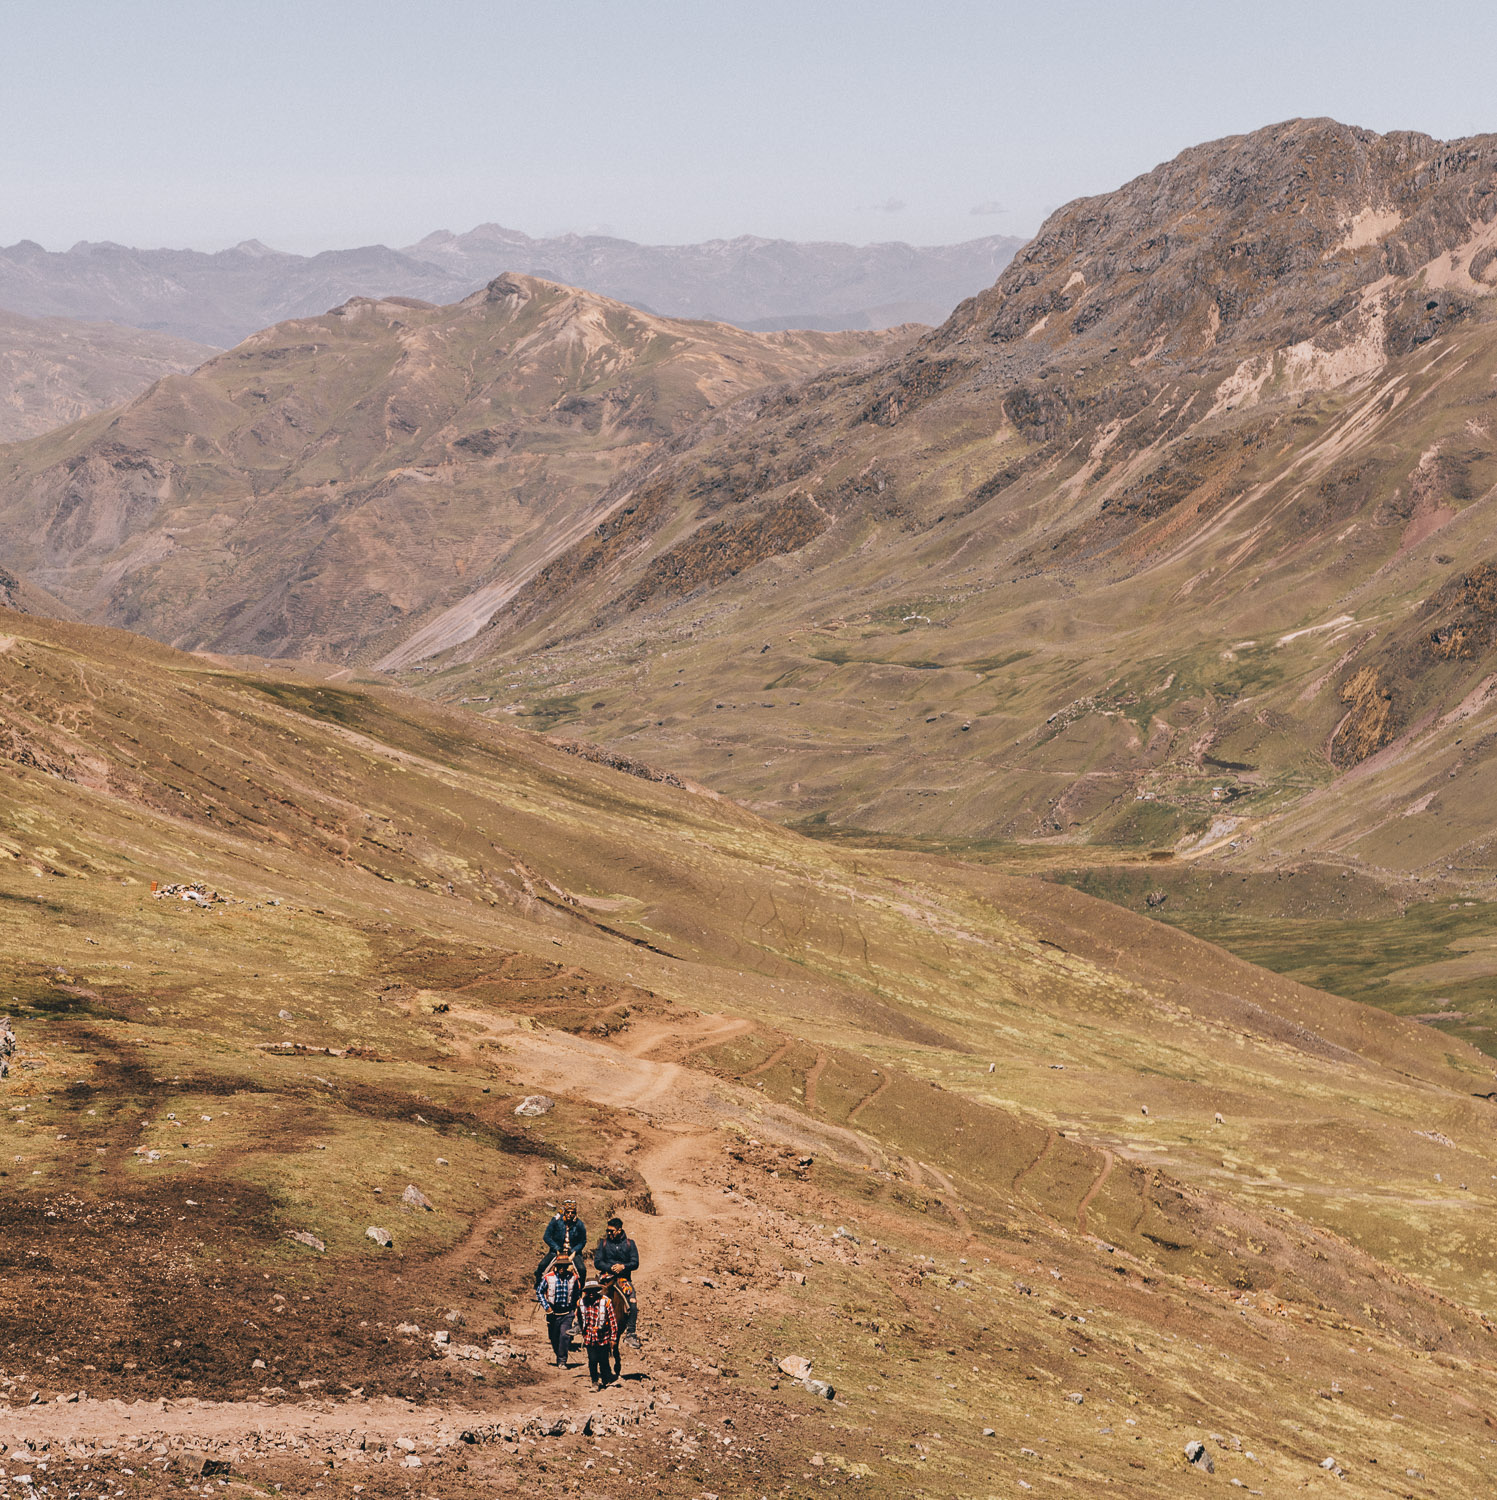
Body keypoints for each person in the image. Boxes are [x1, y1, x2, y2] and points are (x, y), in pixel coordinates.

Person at [593, 1215, 641, 1348]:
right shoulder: (603, 1243)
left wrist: (623, 1267)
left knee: (632, 1301)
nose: (609, 1233)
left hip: (622, 1279)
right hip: (605, 1277)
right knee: (589, 1294)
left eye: (611, 1231)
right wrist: (609, 1267)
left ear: (619, 1230)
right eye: (608, 1231)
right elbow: (597, 1262)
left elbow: (635, 1262)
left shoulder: (630, 1244)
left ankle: (631, 1333)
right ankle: (579, 1324)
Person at [536, 1253, 581, 1367]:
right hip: (553, 1313)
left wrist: (576, 1308)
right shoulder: (548, 1277)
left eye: (564, 1266)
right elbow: (539, 1291)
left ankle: (562, 1360)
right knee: (554, 1337)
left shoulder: (573, 1278)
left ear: (567, 1267)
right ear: (556, 1266)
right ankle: (559, 1354)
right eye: (560, 1266)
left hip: (567, 1312)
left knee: (564, 1335)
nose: (562, 1269)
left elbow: (577, 1294)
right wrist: (547, 1307)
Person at [534, 1198, 587, 1286]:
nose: (570, 1214)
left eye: (573, 1212)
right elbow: (546, 1236)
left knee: (582, 1269)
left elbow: (583, 1241)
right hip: (556, 1251)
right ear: (564, 1212)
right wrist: (557, 1249)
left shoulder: (579, 1224)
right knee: (542, 1266)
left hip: (572, 1253)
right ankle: (538, 1286)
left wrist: (574, 1252)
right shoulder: (556, 1221)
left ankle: (580, 1291)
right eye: (568, 1212)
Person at [577, 1279, 619, 1390]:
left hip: (603, 1338)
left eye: (593, 1291)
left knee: (603, 1360)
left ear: (597, 1290)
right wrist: (583, 1332)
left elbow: (612, 1321)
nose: (591, 1293)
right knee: (592, 1360)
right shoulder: (582, 1303)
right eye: (588, 1291)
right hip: (589, 1338)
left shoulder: (606, 1302)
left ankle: (606, 1379)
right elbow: (580, 1319)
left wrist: (613, 1338)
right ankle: (594, 1381)